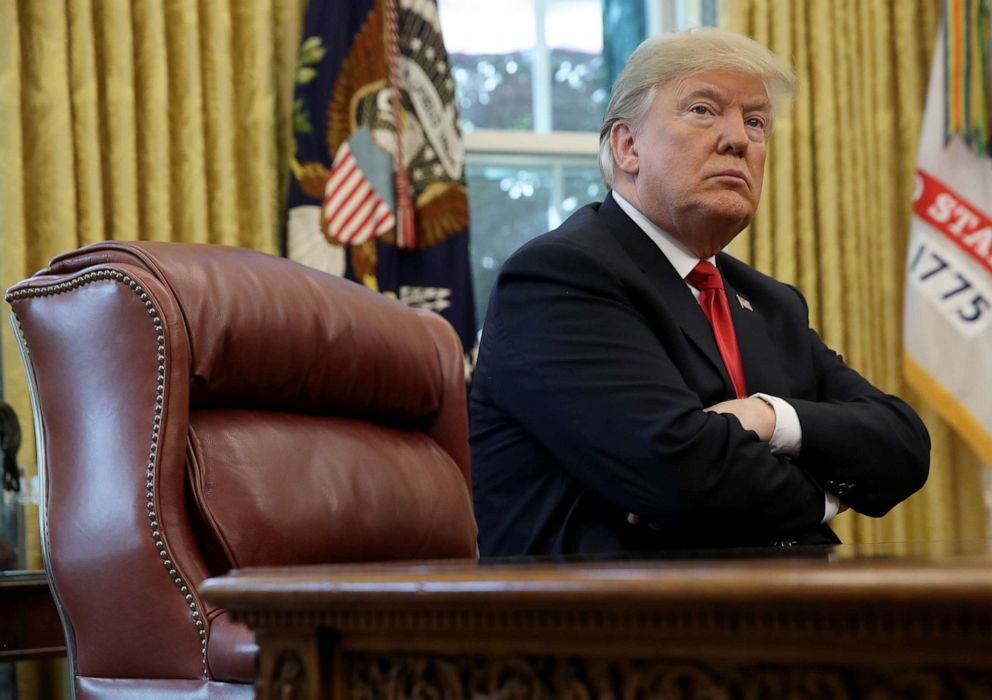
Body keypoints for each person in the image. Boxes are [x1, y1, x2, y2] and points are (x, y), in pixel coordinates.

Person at [469, 28, 930, 556]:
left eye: (755, 122)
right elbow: (679, 474)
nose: (739, 139)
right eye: (704, 111)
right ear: (627, 146)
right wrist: (828, 495)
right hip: (616, 621)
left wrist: (770, 418)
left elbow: (903, 444)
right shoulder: (561, 276)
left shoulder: (771, 302)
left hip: (784, 608)